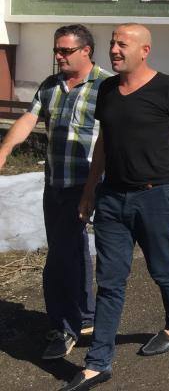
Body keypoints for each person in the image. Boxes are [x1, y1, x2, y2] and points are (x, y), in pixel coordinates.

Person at [61, 24, 169, 391]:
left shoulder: (168, 87)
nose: (114, 49)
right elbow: (104, 144)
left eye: (122, 44)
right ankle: (98, 363)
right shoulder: (107, 89)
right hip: (112, 198)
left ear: (144, 50)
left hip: (155, 196)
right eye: (112, 43)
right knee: (109, 281)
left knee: (161, 267)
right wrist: (90, 190)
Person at [0, 25, 109, 360]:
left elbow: (114, 135)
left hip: (89, 183)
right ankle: (84, 316)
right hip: (55, 185)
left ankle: (65, 327)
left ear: (86, 50)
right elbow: (28, 120)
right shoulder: (50, 87)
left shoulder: (106, 87)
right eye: (56, 51)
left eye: (65, 51)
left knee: (63, 256)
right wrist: (4, 150)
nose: (58, 56)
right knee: (71, 250)